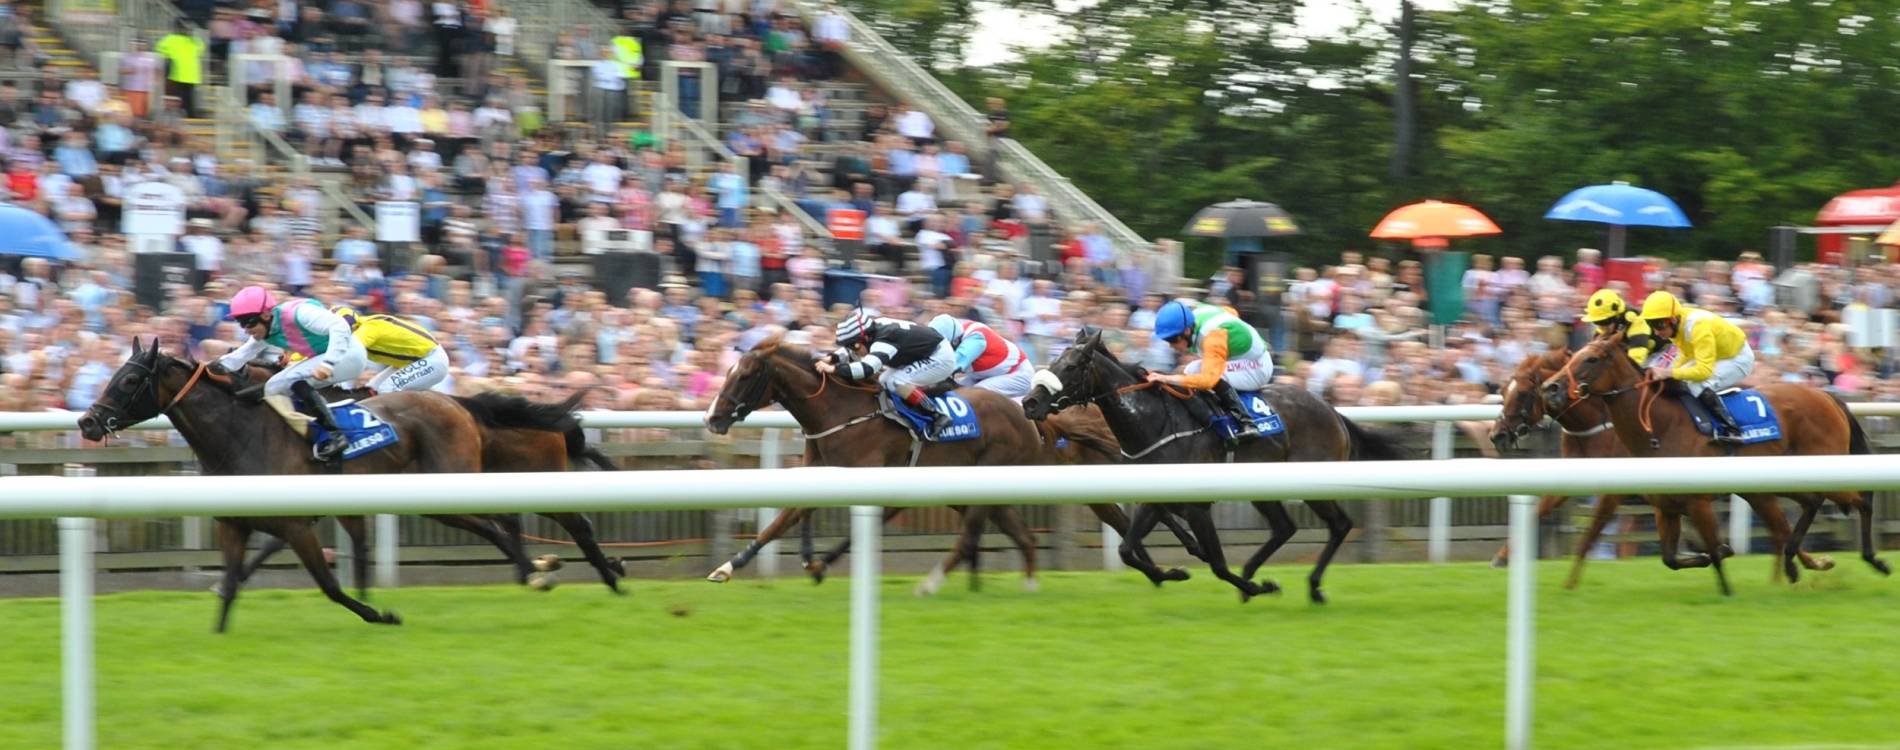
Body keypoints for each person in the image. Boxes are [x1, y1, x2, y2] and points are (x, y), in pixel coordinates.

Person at [217, 287, 366, 462]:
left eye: (248, 323)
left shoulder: (299, 313)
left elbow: (340, 325)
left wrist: (329, 363)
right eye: (241, 324)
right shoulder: (265, 329)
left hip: (348, 354)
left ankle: (336, 436)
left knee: (280, 383)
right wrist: (205, 369)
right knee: (276, 386)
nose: (245, 330)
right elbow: (238, 357)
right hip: (327, 356)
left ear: (265, 315)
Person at [1146, 299, 1274, 443]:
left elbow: (1208, 380)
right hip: (1241, 359)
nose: (1171, 346)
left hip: (1257, 367)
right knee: (1190, 369)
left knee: (1212, 377)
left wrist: (1166, 378)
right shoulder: (1196, 315)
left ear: (1187, 331)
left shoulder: (1213, 337)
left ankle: (1247, 423)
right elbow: (1230, 311)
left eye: (1172, 340)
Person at [818, 309, 958, 436]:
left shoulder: (885, 339)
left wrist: (834, 369)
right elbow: (852, 347)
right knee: (884, 379)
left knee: (895, 381)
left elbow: (866, 369)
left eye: (854, 346)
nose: (853, 351)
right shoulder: (871, 330)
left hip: (940, 357)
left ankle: (937, 415)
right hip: (920, 353)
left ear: (865, 338)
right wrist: (831, 358)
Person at [1639, 290, 1752, 445]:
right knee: (1676, 377)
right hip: (1717, 354)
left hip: (1737, 358)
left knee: (1697, 384)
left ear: (1673, 319)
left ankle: (1733, 430)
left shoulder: (1698, 327)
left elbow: (1703, 371)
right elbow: (1686, 354)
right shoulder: (1678, 324)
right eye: (1650, 325)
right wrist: (1669, 373)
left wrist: (1669, 372)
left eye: (1659, 325)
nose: (1656, 332)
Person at [330, 305, 451, 394]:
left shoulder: (369, 328)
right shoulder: (363, 325)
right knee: (370, 390)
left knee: (386, 389)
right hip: (413, 361)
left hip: (432, 359)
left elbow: (347, 353)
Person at [928, 313, 1031, 400]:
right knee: (955, 394)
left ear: (954, 340)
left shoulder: (976, 338)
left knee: (975, 396)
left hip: (1017, 374)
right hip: (988, 375)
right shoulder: (956, 332)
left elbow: (953, 364)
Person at [1579, 288, 1656, 364]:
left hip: (1654, 355)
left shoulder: (1635, 322)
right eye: (1596, 322)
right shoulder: (1604, 326)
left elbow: (1636, 362)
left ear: (1617, 316)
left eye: (1604, 322)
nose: (1602, 327)